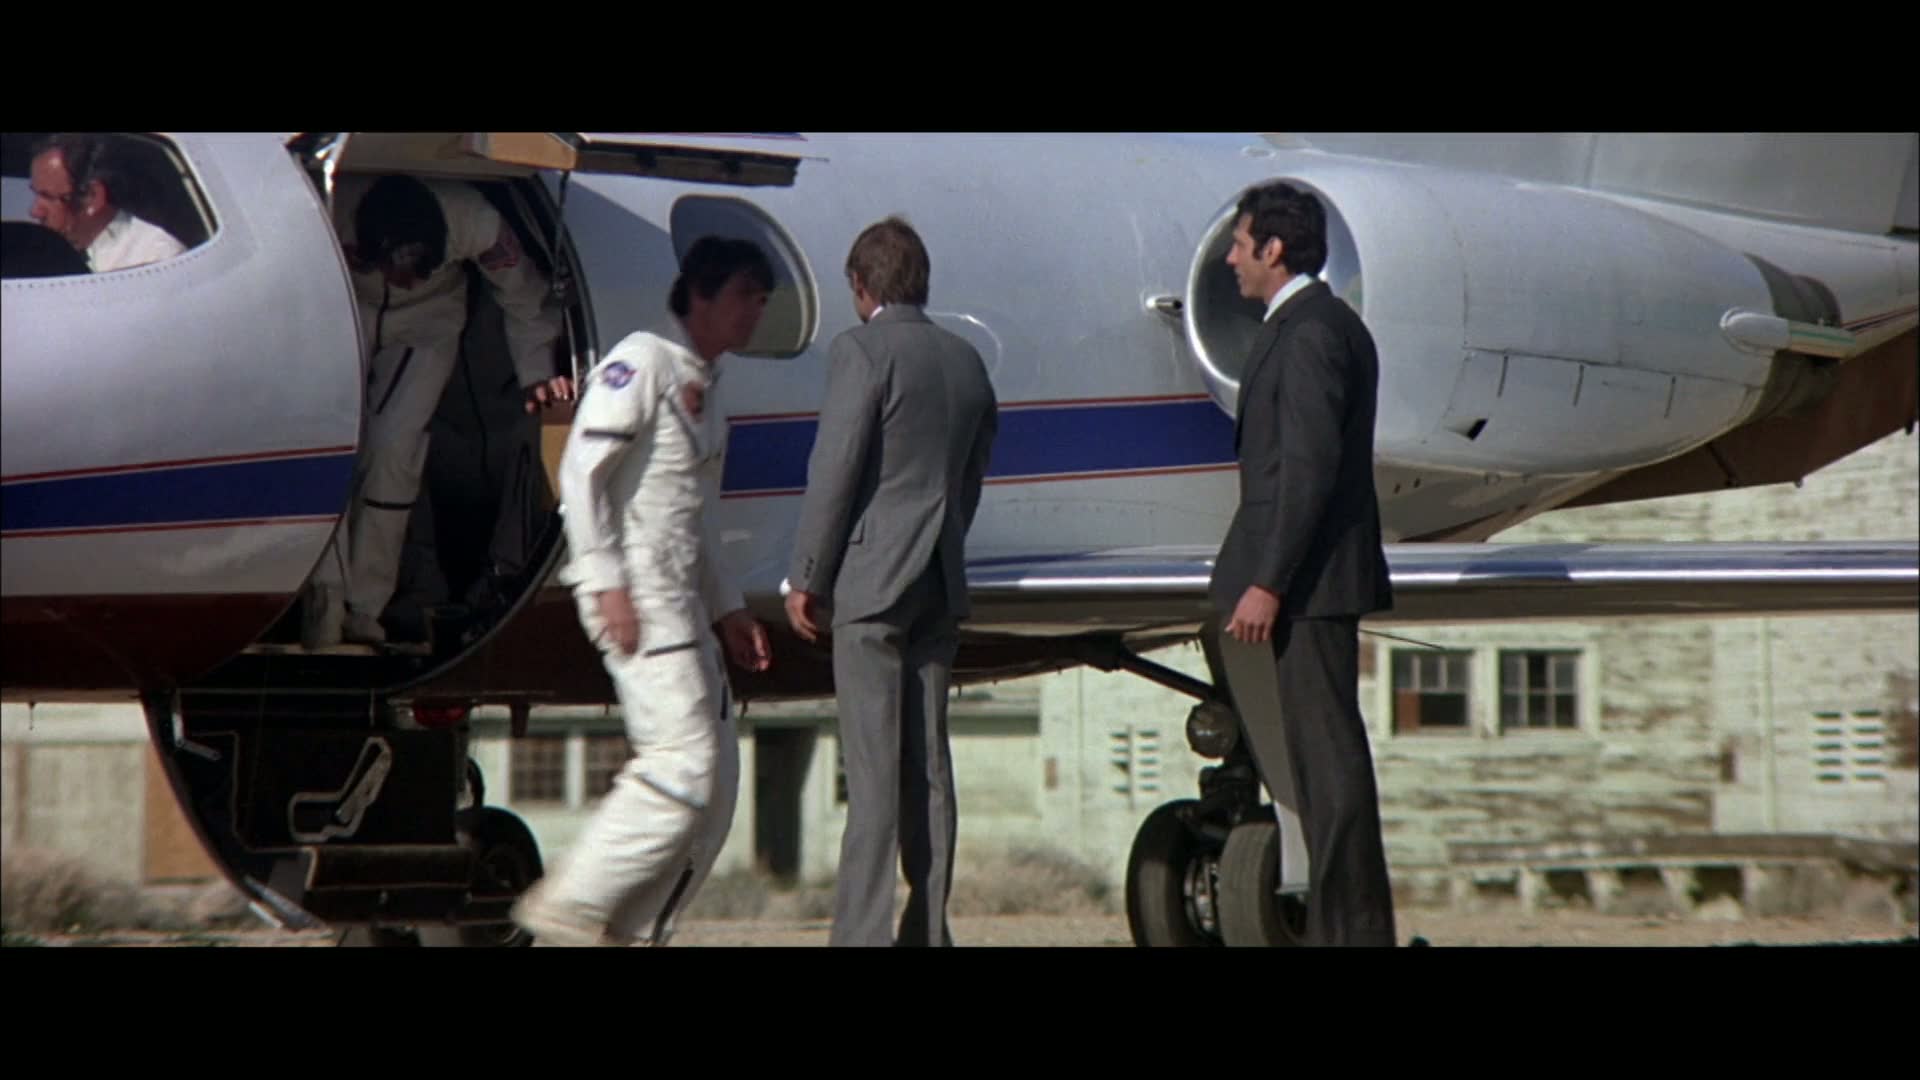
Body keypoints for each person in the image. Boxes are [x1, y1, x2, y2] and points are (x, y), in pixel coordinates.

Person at [511, 236, 774, 946]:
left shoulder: (707, 389)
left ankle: (632, 932)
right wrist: (606, 584)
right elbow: (582, 473)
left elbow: (698, 516)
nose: (755, 310)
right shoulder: (641, 362)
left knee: (713, 793)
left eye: (761, 298)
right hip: (639, 596)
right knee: (681, 763)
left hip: (683, 605)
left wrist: (728, 608)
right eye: (744, 294)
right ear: (700, 295)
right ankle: (572, 903)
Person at [785, 217, 998, 947]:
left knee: (873, 773)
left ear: (860, 284)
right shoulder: (967, 360)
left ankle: (862, 935)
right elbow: (972, 474)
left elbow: (836, 466)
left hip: (872, 581)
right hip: (939, 574)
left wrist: (808, 575)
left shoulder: (860, 352)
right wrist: (943, 537)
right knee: (929, 766)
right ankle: (927, 929)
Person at [1210, 180, 1397, 946]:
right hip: (1308, 583)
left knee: (1331, 771)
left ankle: (1351, 934)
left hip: (1311, 587)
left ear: (1274, 248)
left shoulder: (1313, 333)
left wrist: (1268, 581)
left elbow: (1308, 469)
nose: (1230, 259)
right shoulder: (1311, 326)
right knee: (1320, 773)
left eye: (1239, 244)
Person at [305, 173, 573, 647]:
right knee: (335, 449)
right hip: (342, 310)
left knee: (395, 450)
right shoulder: (325, 205)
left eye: (420, 267)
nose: (407, 279)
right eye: (399, 267)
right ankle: (325, 600)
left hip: (428, 324)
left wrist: (536, 370)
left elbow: (524, 295)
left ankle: (365, 607)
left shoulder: (477, 223)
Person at [28, 134, 186, 273]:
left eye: (48, 197)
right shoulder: (46, 257)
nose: (35, 211)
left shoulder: (157, 259)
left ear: (92, 197)